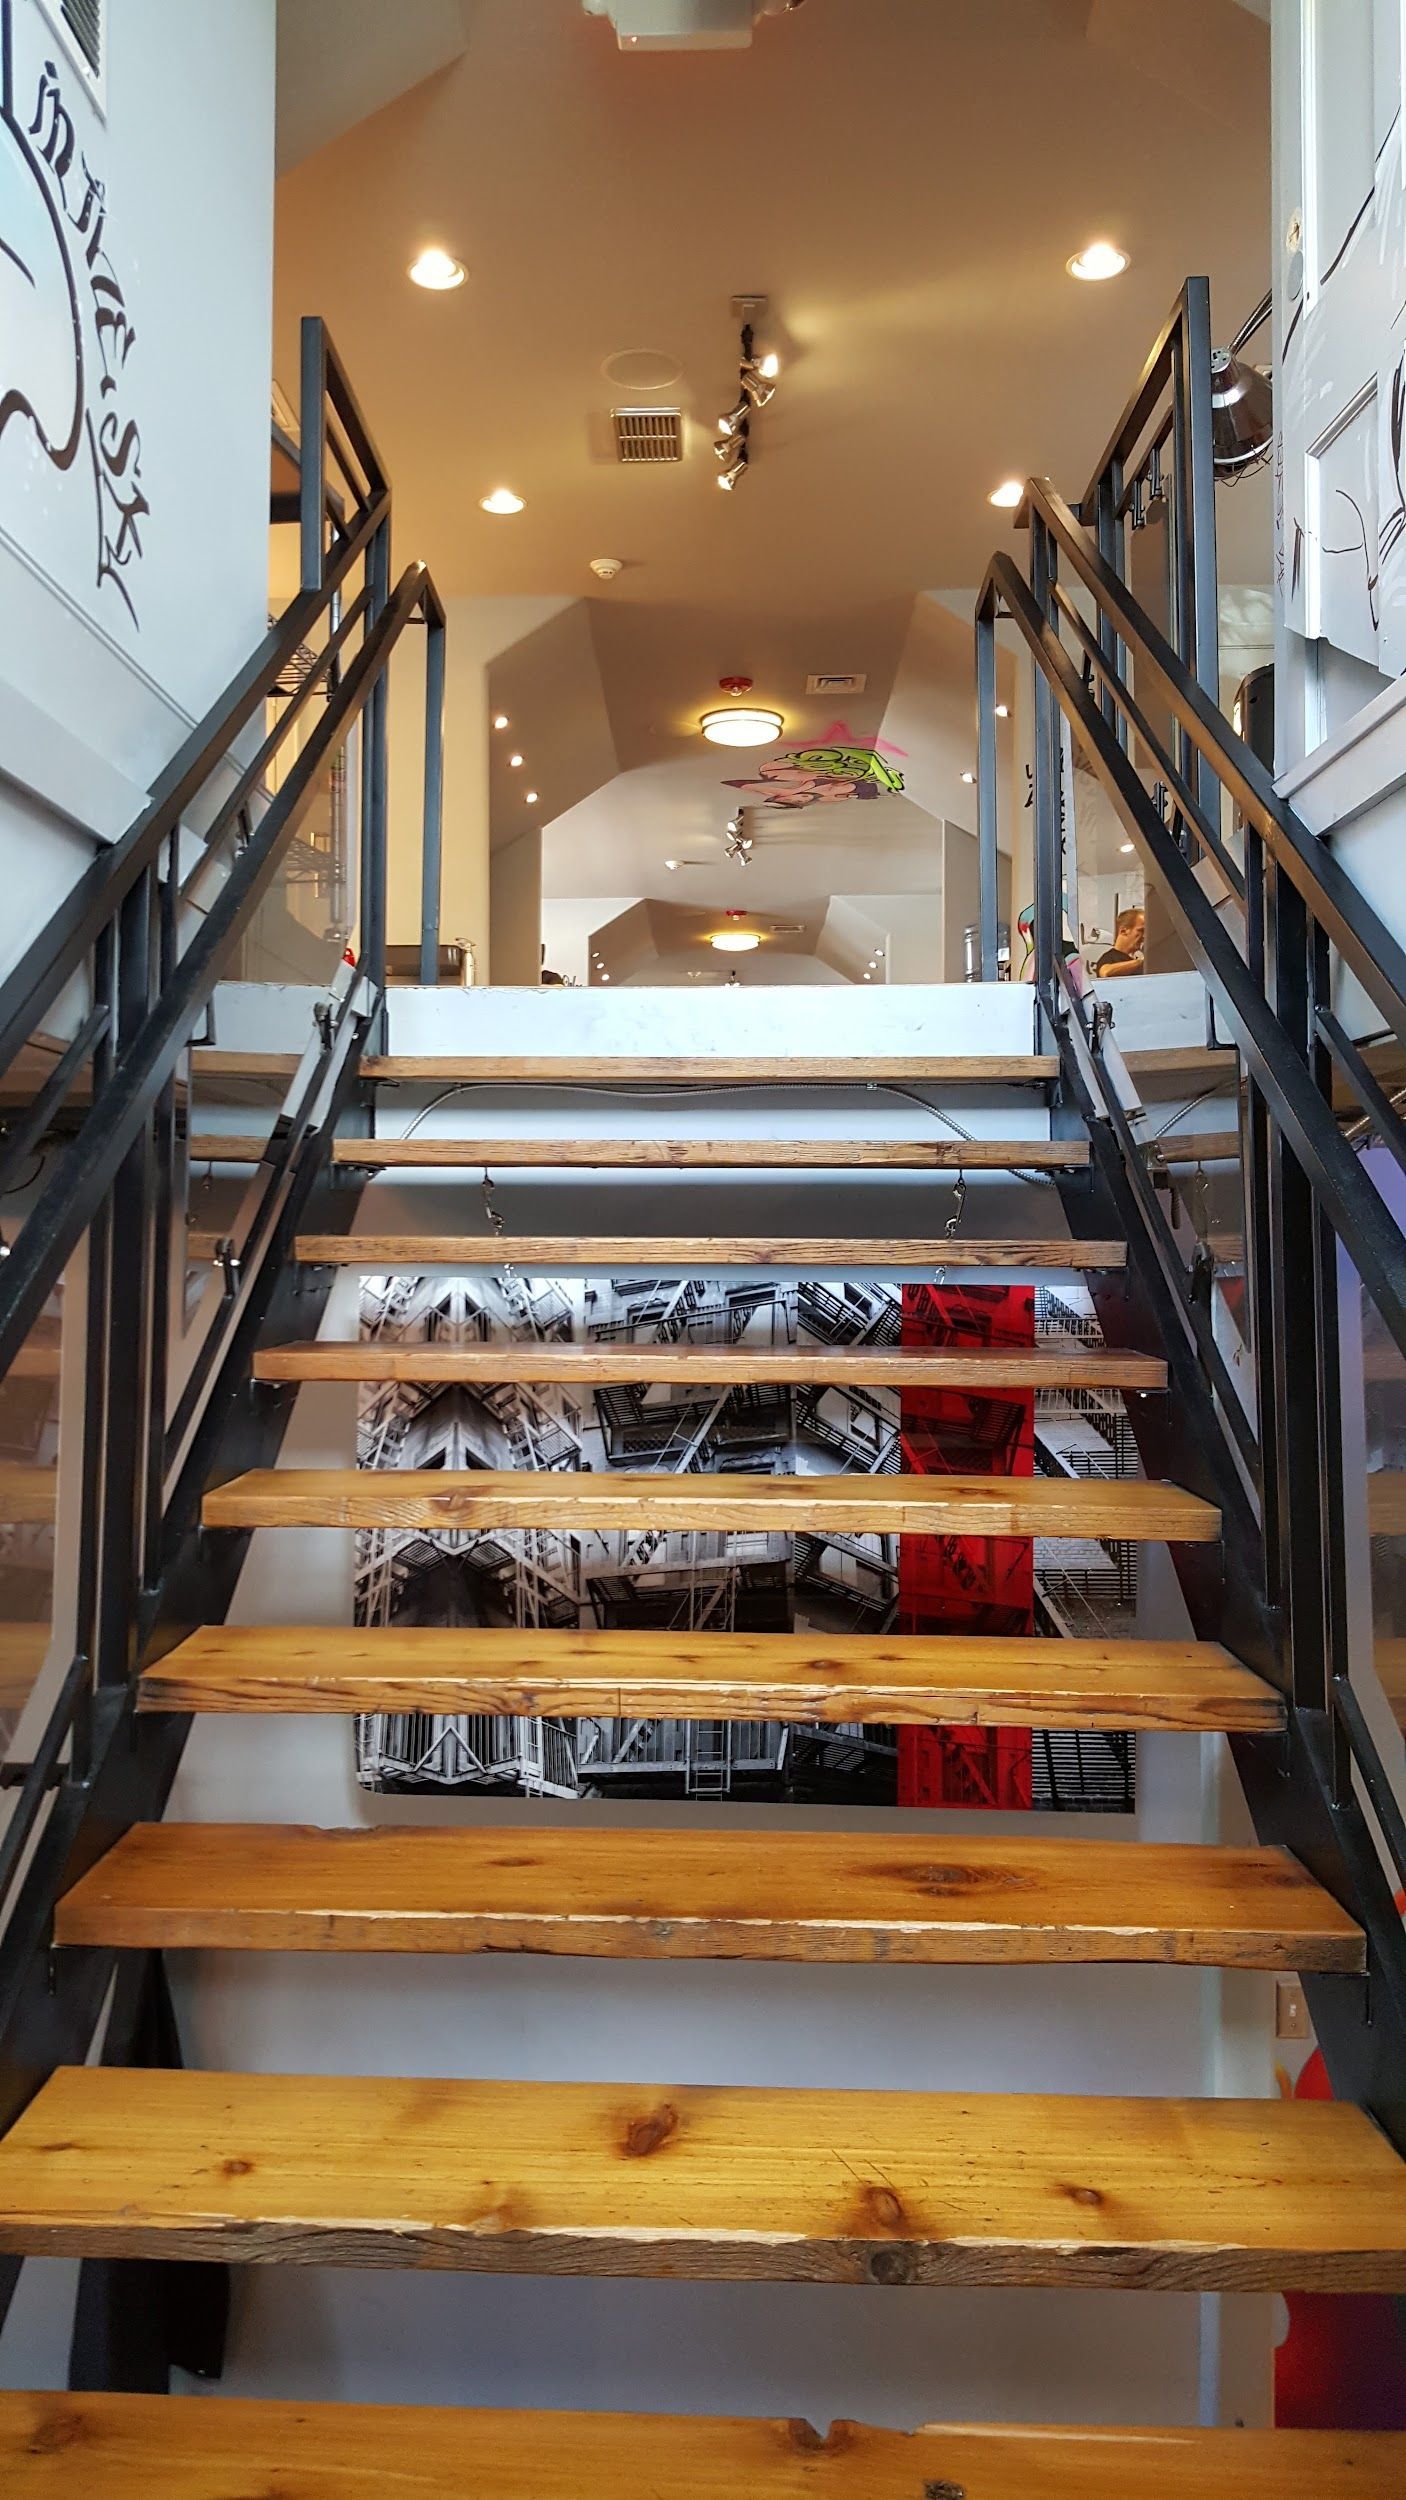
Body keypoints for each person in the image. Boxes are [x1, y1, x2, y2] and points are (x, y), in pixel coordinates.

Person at [1094, 906, 1145, 978]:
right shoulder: (1109, 957)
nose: (1144, 936)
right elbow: (1105, 972)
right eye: (1141, 930)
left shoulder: (1134, 959)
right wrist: (1142, 962)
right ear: (1123, 931)